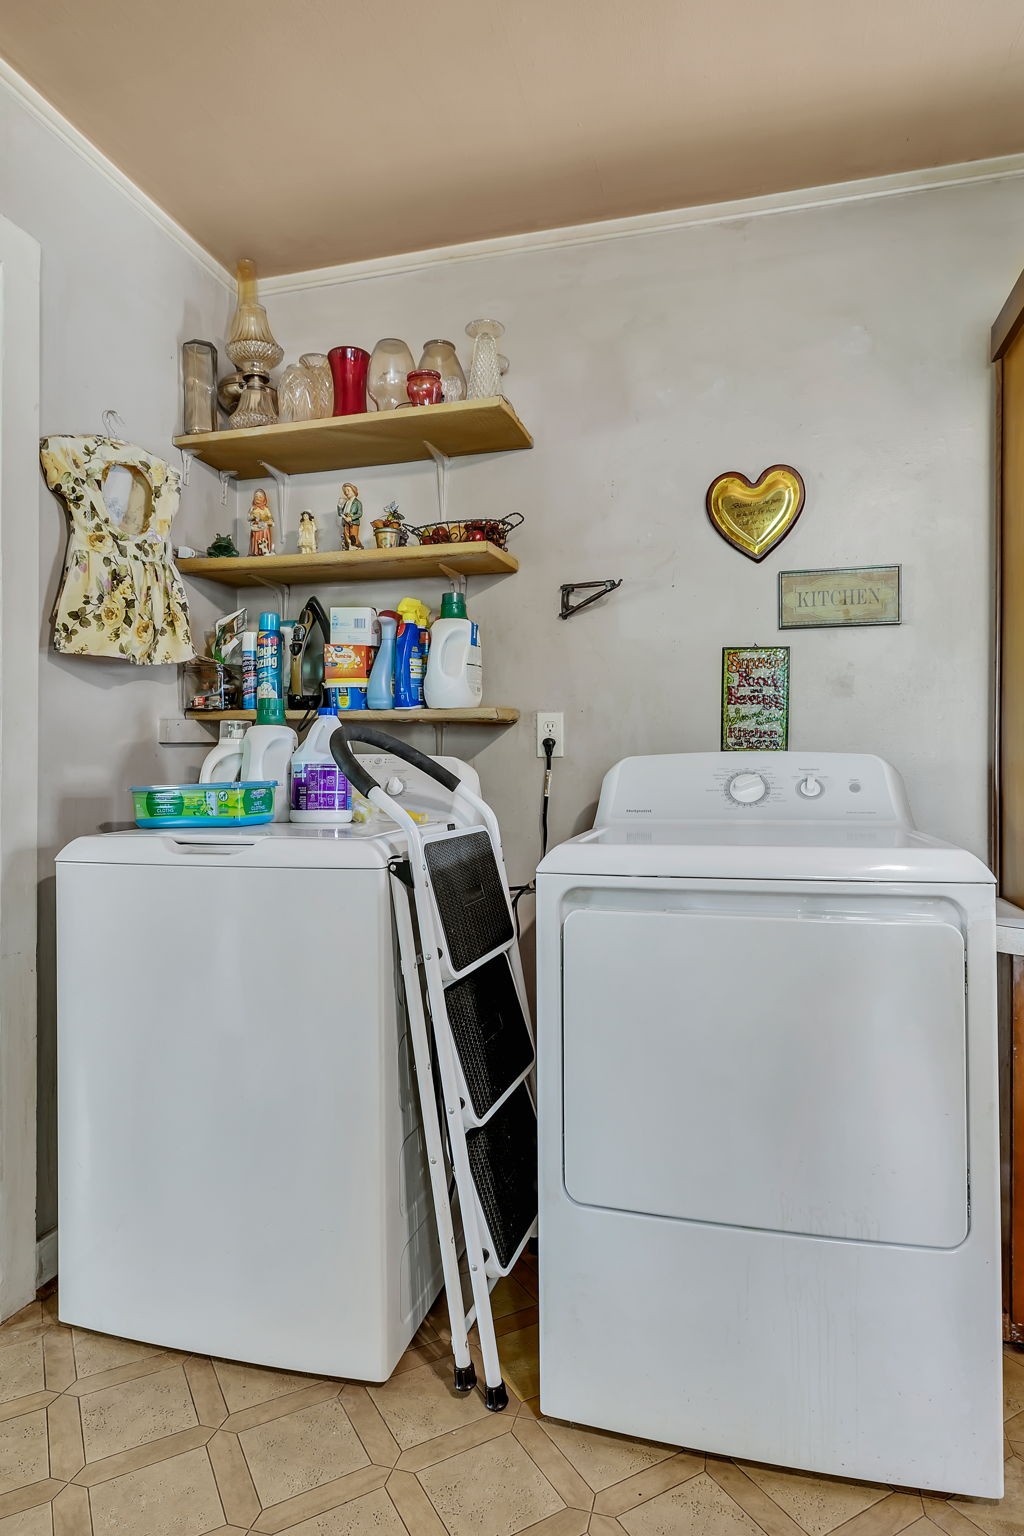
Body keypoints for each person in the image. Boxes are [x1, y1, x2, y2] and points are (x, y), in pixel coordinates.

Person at [247, 489, 274, 557]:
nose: (258, 498)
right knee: (255, 538)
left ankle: (264, 550)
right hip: (255, 528)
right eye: (256, 496)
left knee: (264, 537)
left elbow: (270, 518)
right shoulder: (252, 508)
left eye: (260, 497)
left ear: (264, 499)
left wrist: (267, 520)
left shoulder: (266, 509)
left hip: (264, 528)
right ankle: (255, 551)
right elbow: (248, 518)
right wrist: (253, 516)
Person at [338, 483, 363, 550]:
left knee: (353, 535)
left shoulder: (357, 502)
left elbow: (360, 514)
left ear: (354, 491)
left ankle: (357, 546)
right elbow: (340, 513)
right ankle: (349, 546)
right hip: (345, 522)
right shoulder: (346, 503)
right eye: (345, 491)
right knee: (346, 536)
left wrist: (351, 518)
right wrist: (339, 505)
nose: (346, 492)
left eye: (348, 490)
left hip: (353, 523)